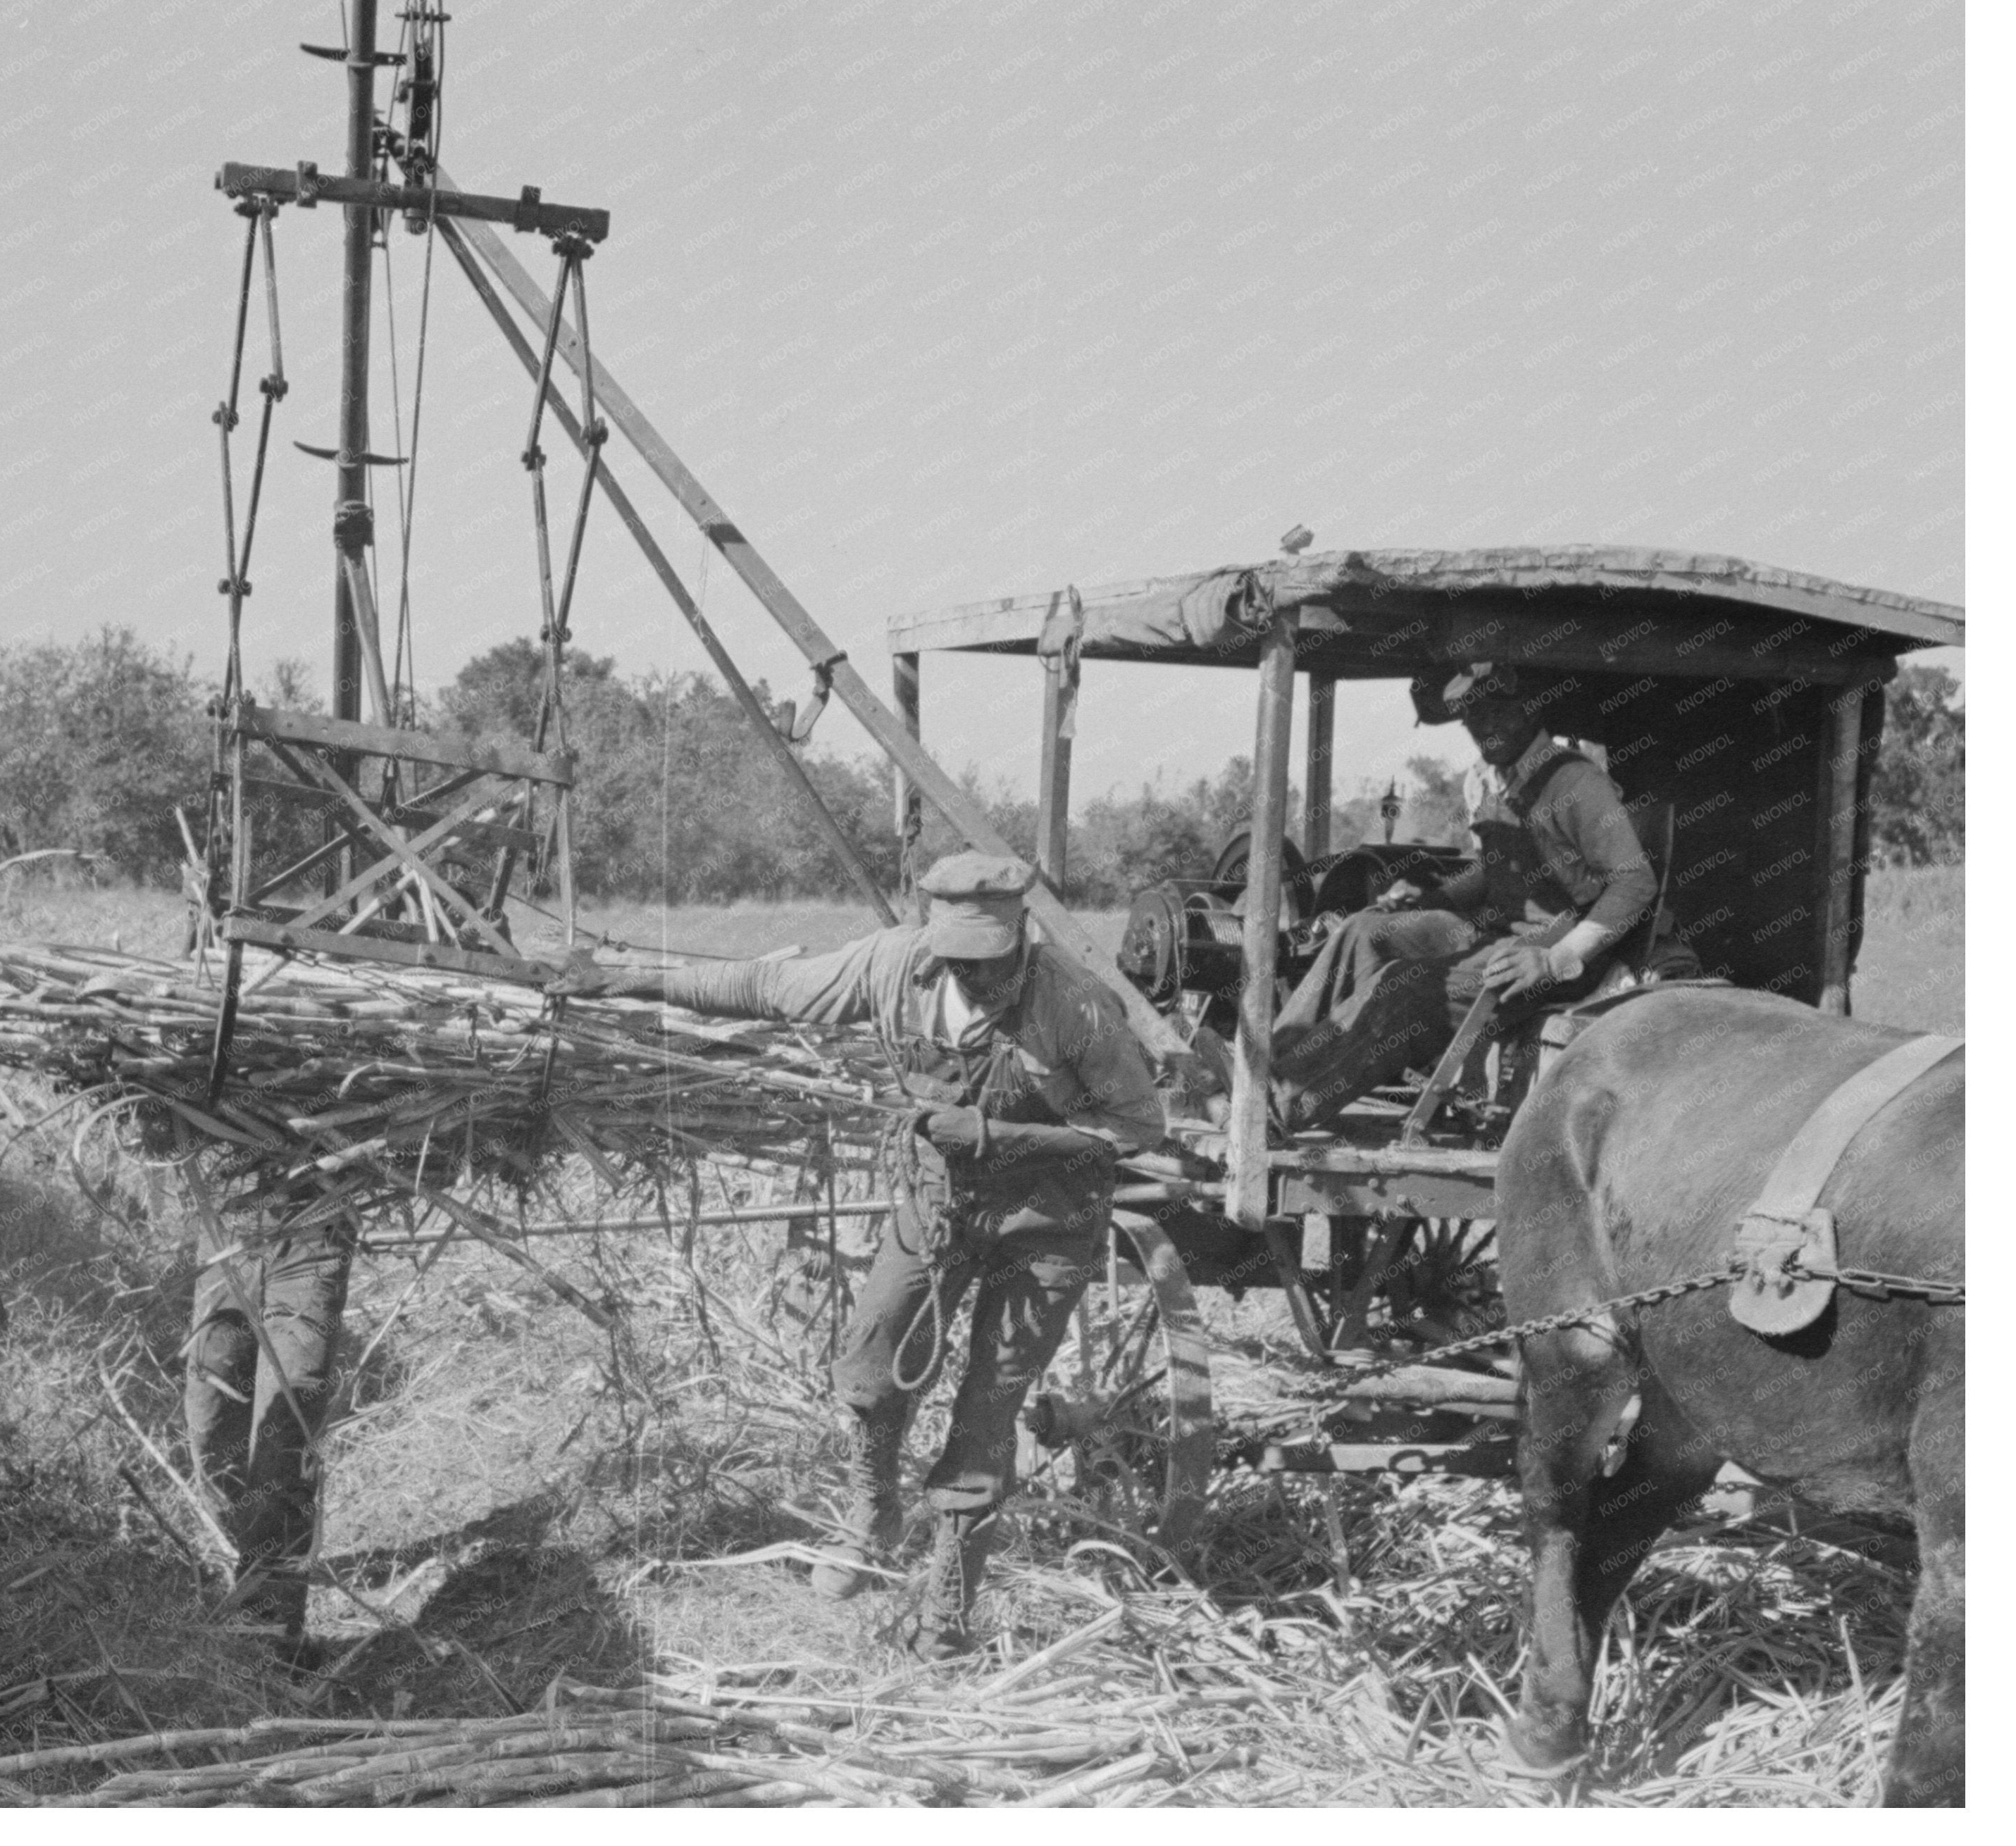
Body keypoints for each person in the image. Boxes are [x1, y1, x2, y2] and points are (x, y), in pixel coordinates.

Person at [556, 852, 1166, 1656]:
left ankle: (948, 1609)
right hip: (942, 1205)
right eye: (957, 957)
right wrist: (626, 980)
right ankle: (872, 1513)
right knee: (870, 1363)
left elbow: (1139, 1129)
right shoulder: (893, 967)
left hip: (1049, 1222)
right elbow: (766, 988)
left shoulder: (1074, 1003)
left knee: (985, 1414)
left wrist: (998, 1134)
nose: (974, 975)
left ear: (1022, 931)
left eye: (989, 959)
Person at [1269, 662, 1699, 1133]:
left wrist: (1555, 959)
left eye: (1498, 710)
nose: (1483, 725)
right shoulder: (1491, 779)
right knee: (1363, 930)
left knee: (1406, 989)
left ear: (1531, 709)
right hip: (1493, 934)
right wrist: (1430, 898)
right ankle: (1267, 1067)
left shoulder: (1576, 783)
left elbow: (1634, 882)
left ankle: (1280, 1106)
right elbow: (1491, 869)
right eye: (1473, 713)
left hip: (1551, 951)